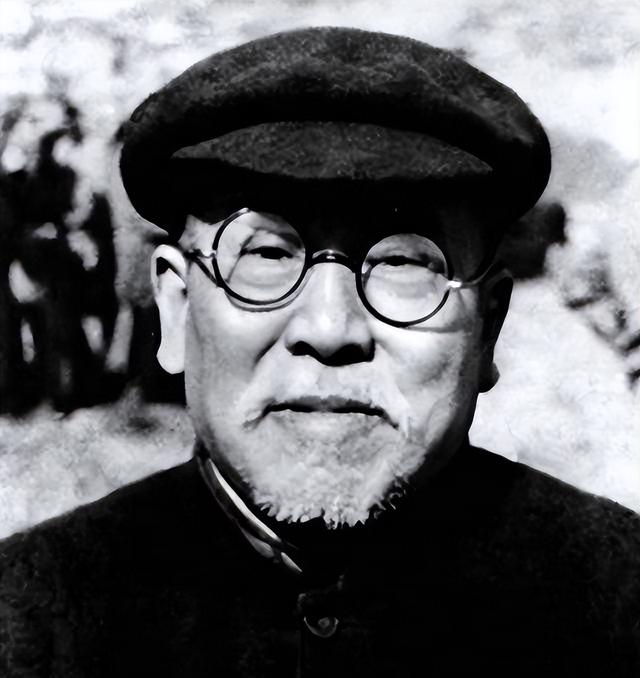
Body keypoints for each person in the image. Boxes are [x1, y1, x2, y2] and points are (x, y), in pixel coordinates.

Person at [0, 27, 638, 677]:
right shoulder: (28, 620)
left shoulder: (617, 603)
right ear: (176, 308)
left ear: (488, 327)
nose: (331, 330)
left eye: (404, 261)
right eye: (266, 255)